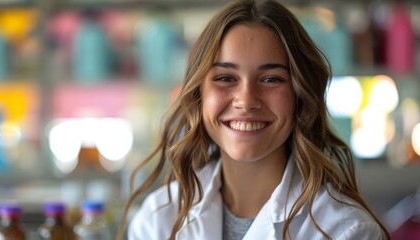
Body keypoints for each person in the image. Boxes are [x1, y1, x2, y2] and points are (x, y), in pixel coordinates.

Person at [118, 0, 391, 239]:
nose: (246, 101)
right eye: (225, 78)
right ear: (199, 93)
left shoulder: (345, 231)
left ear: (300, 96)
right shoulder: (157, 220)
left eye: (271, 79)